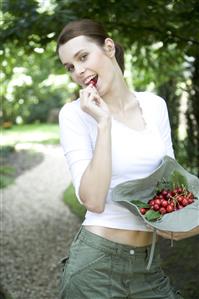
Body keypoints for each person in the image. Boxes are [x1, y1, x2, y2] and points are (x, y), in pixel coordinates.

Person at [57, 19, 199, 299]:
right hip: (96, 266)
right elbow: (94, 200)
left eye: (83, 57)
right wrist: (103, 124)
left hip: (148, 267)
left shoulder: (154, 106)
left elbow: (171, 186)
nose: (79, 71)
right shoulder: (74, 115)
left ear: (108, 47)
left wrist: (185, 221)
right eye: (70, 67)